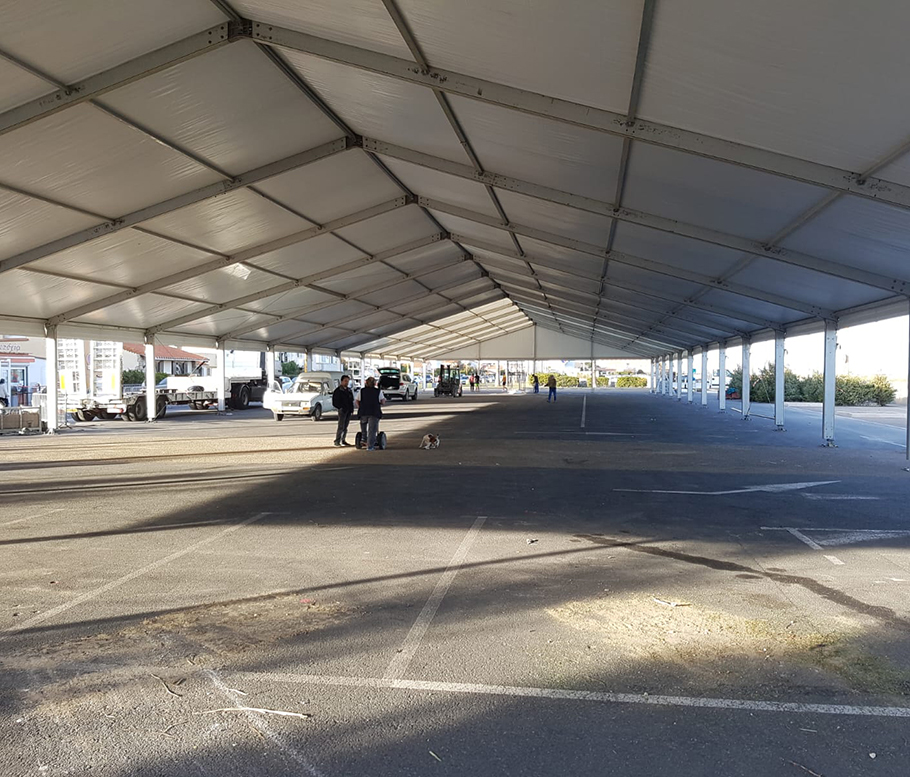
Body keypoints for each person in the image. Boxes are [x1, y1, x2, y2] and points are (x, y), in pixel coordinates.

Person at [355, 376, 386, 450]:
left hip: (363, 412)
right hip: (374, 412)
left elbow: (357, 401)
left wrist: (360, 407)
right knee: (372, 430)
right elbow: (382, 401)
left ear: (366, 383)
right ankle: (370, 446)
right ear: (375, 383)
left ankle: (363, 439)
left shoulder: (362, 391)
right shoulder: (378, 391)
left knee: (363, 427)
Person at [331, 375, 355, 447]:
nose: (347, 382)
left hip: (348, 410)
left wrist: (351, 409)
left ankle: (343, 440)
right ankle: (337, 440)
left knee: (345, 426)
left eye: (347, 381)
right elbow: (335, 402)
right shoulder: (338, 391)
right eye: (345, 381)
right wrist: (340, 407)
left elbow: (351, 400)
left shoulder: (349, 390)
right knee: (341, 426)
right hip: (342, 410)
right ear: (341, 381)